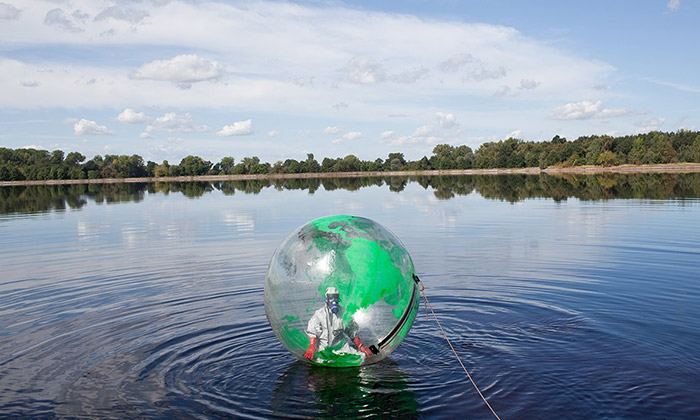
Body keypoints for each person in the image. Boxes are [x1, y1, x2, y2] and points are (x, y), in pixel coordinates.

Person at [304, 287, 373, 360]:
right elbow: (312, 331)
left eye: (335, 298)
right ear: (327, 299)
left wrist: (360, 346)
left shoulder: (344, 313)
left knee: (362, 357)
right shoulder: (319, 314)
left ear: (338, 299)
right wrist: (311, 347)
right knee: (319, 361)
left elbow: (352, 331)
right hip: (323, 347)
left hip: (341, 347)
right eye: (331, 298)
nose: (333, 301)